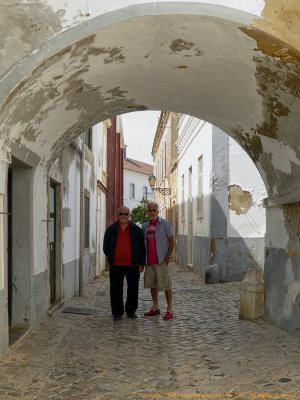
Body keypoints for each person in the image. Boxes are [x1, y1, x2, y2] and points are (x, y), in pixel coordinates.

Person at [103, 206, 146, 320]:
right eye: (121, 214)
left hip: (133, 265)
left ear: (129, 215)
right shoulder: (111, 229)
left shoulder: (137, 230)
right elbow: (105, 247)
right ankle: (117, 313)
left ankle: (131, 311)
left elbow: (142, 248)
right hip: (116, 265)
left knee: (133, 289)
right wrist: (111, 258)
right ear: (118, 215)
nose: (123, 216)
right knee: (115, 289)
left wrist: (141, 263)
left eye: (126, 214)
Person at [142, 202, 175, 320]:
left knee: (166, 285)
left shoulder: (165, 224)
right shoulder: (145, 226)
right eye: (149, 210)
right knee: (153, 285)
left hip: (161, 260)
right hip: (149, 261)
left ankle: (169, 309)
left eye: (154, 210)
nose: (152, 212)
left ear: (158, 211)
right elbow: (143, 244)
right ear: (147, 213)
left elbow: (172, 240)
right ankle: (155, 307)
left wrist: (168, 256)